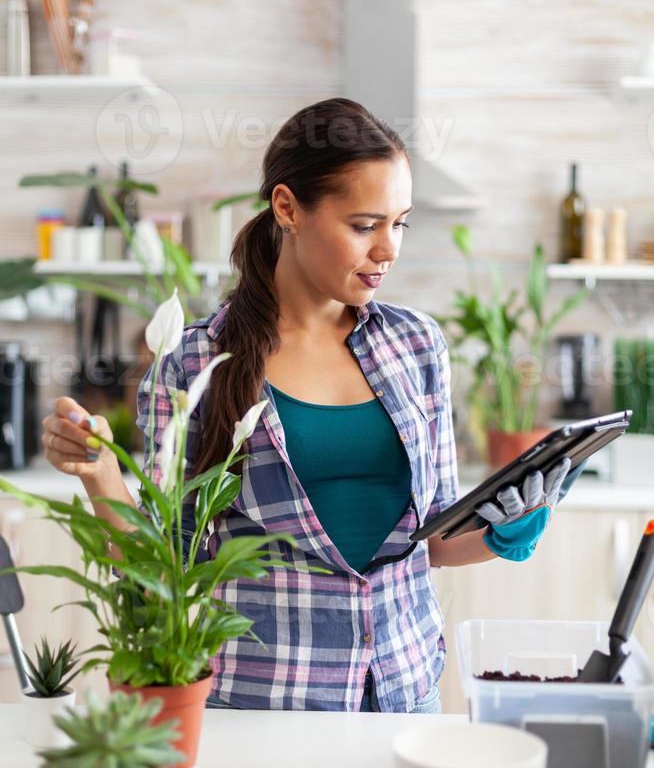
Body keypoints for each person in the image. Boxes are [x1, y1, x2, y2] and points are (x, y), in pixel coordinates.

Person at [41, 98, 583, 713]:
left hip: (406, 690)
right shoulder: (195, 364)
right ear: (287, 208)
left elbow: (433, 539)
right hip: (262, 703)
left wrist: (512, 528)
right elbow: (162, 571)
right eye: (364, 225)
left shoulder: (416, 345)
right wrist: (101, 475)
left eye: (400, 223)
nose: (389, 250)